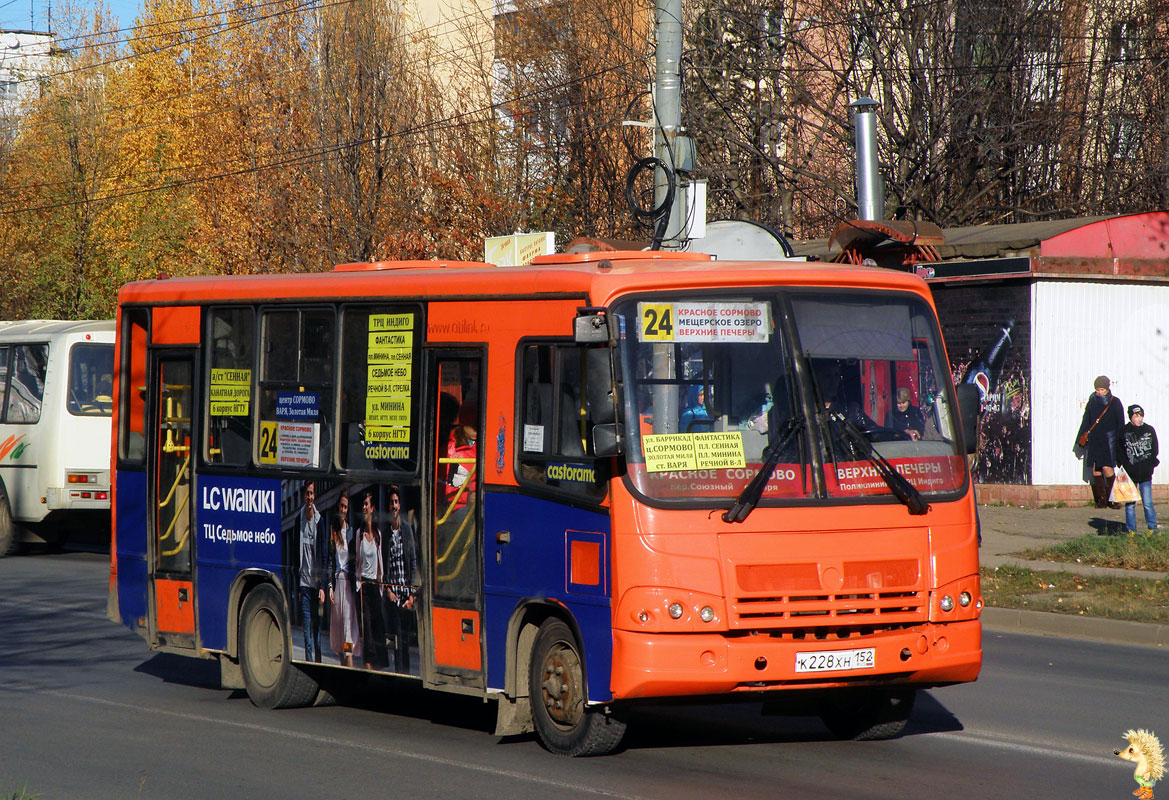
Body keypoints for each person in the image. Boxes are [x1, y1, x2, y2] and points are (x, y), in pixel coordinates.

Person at [382, 485, 419, 674]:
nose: (394, 506)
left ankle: (406, 674)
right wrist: (388, 591)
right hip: (393, 596)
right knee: (396, 640)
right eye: (391, 503)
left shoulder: (407, 529)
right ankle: (400, 674)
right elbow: (384, 565)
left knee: (405, 640)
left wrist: (412, 594)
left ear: (400, 505)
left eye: (396, 502)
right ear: (389, 507)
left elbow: (413, 561)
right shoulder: (386, 532)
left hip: (406, 595)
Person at [1076, 375, 1125, 509]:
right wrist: (1080, 439)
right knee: (1096, 470)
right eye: (1097, 389)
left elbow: (1120, 423)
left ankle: (1113, 499)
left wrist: (1121, 441)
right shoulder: (1092, 402)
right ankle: (1101, 500)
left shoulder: (1115, 402)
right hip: (1095, 440)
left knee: (1107, 468)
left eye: (1102, 389)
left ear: (1107, 389)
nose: (1099, 392)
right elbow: (1086, 421)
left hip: (1109, 441)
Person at [327, 488, 360, 667]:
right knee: (339, 626)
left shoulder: (351, 531)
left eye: (346, 507)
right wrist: (330, 586)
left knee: (348, 624)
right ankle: (342, 662)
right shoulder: (333, 531)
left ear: (348, 510)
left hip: (348, 584)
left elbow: (354, 560)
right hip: (337, 585)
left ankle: (349, 658)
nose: (343, 509)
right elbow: (330, 562)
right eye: (341, 506)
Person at [356, 489, 388, 669]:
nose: (364, 507)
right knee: (366, 626)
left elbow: (380, 563)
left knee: (378, 624)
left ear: (373, 508)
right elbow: (357, 564)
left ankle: (380, 664)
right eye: (363, 504)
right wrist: (358, 584)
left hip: (375, 585)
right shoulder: (359, 534)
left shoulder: (377, 534)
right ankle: (368, 664)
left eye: (367, 504)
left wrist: (381, 585)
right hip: (364, 586)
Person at [1117, 404, 1159, 533]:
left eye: (1141, 415)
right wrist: (1124, 465)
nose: (1139, 418)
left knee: (1147, 503)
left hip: (1146, 474)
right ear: (1131, 417)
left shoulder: (1149, 430)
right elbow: (1119, 451)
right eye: (1136, 416)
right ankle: (1131, 531)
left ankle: (1152, 529)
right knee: (1130, 505)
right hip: (1130, 475)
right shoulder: (1123, 431)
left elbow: (1154, 449)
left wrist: (1151, 464)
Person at [297, 480, 326, 663]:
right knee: (306, 631)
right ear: (303, 495)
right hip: (304, 586)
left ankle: (318, 663)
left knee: (317, 632)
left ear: (315, 496)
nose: (309, 497)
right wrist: (298, 587)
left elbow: (323, 555)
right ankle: (309, 664)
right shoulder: (298, 520)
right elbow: (295, 553)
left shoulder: (319, 521)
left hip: (316, 587)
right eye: (307, 493)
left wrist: (323, 586)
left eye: (312, 493)